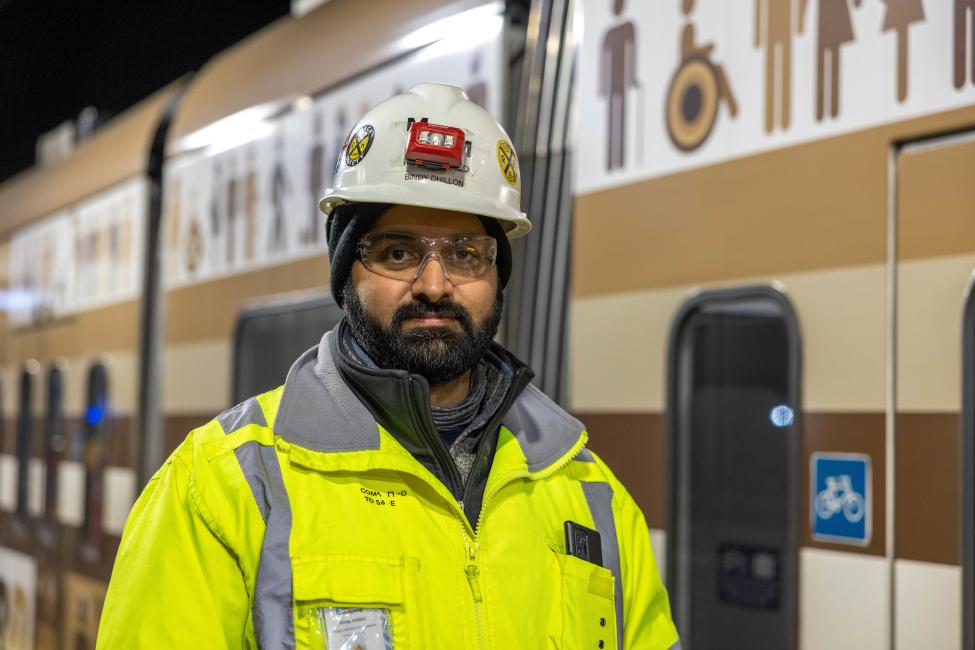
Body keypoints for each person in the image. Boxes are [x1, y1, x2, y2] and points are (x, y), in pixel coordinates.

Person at [97, 83, 680, 649]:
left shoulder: (590, 495)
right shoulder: (223, 488)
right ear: (345, 272)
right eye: (397, 252)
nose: (434, 285)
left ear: (497, 276)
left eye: (466, 254)